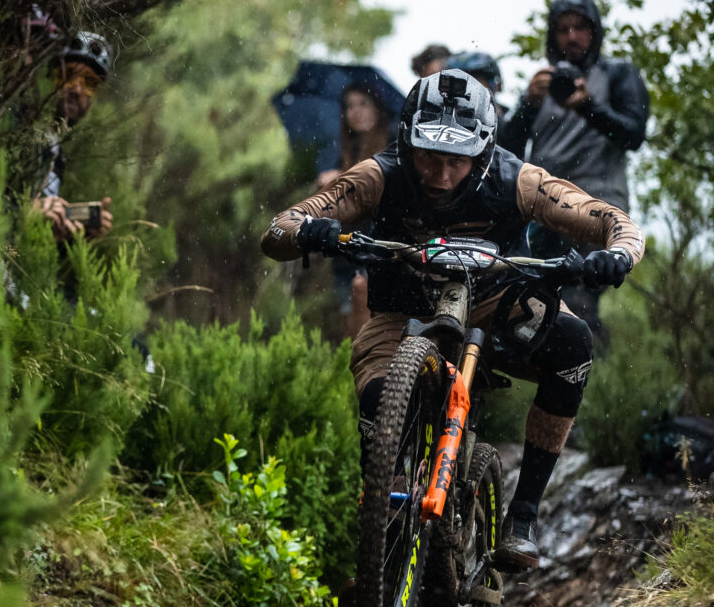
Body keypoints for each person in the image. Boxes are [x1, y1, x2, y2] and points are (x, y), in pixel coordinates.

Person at [261, 69, 644, 570]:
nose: (441, 175)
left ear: (483, 152)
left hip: (495, 300)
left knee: (573, 341)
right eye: (428, 157)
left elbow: (613, 220)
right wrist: (310, 233)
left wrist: (617, 254)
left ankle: (523, 515)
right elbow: (278, 229)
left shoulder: (518, 180)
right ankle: (387, 533)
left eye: (456, 162)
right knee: (378, 399)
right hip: (402, 307)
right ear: (407, 141)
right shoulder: (380, 173)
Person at [498, 0, 649, 340]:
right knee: (531, 299)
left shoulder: (617, 74)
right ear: (552, 35)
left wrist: (589, 107)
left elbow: (634, 133)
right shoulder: (542, 84)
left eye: (580, 27)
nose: (572, 37)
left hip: (597, 205)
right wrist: (527, 104)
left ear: (595, 32)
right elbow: (505, 152)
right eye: (563, 29)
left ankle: (591, 376)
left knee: (580, 299)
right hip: (543, 205)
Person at [316, 82, 396, 339]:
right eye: (349, 106)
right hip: (345, 248)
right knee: (349, 326)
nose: (356, 112)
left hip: (377, 246)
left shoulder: (392, 143)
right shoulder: (344, 149)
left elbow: (388, 190)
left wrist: (346, 180)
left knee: (370, 327)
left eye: (363, 104)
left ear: (378, 108)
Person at [30, 29, 115, 242]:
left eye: (89, 83)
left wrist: (76, 237)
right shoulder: (21, 133)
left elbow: (33, 242)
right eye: (69, 75)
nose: (77, 89)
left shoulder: (57, 155)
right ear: (51, 76)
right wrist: (26, 214)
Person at [447, 50, 508, 117]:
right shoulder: (443, 110)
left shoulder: (508, 117)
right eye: (461, 83)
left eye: (476, 81)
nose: (468, 88)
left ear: (496, 86)